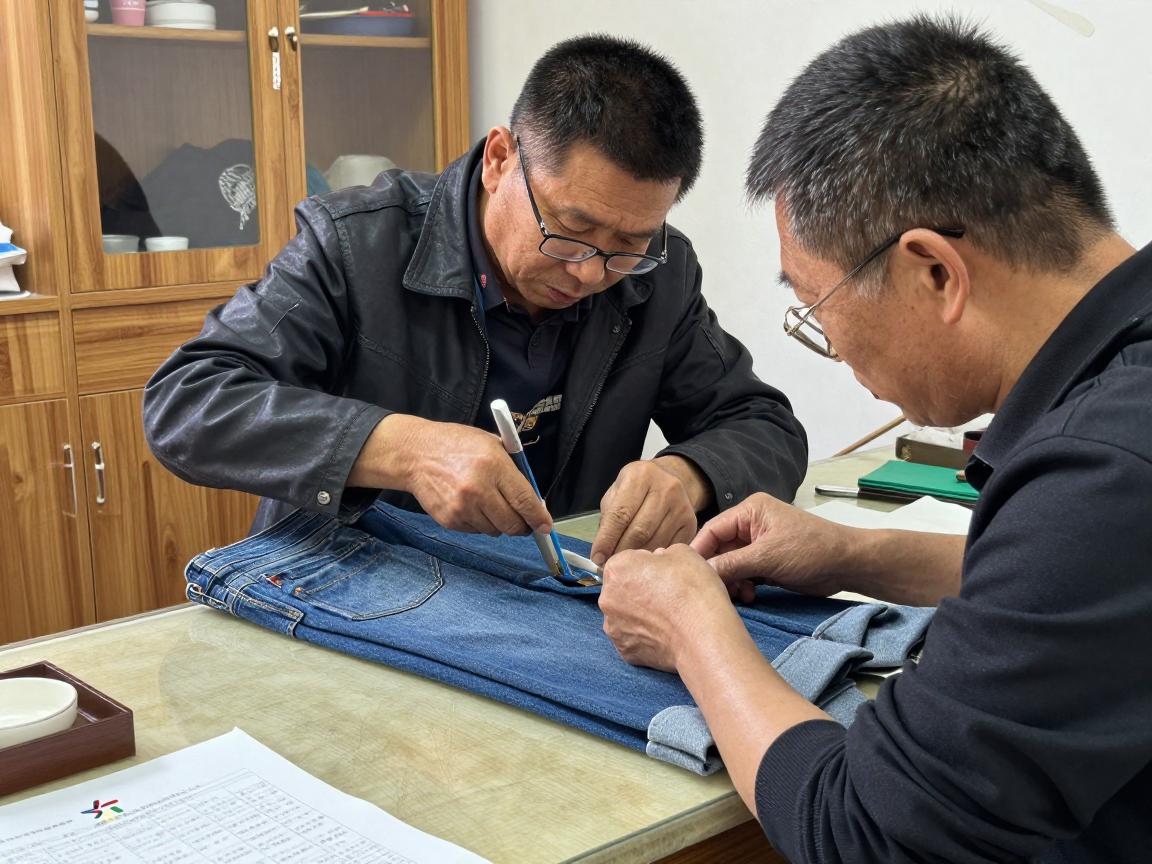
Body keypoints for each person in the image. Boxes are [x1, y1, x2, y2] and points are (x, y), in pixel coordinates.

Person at [599, 15, 1151, 863]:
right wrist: (852, 554)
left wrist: (694, 632)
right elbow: (1080, 590)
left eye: (818, 308)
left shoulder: (1107, 468)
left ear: (934, 271)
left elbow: (867, 834)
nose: (834, 345)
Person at [143, 35, 807, 561]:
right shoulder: (356, 243)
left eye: (629, 242)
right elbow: (188, 402)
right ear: (499, 159)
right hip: (345, 579)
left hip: (541, 592)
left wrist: (688, 474)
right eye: (570, 230)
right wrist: (404, 450)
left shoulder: (658, 275)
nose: (589, 272)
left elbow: (763, 424)